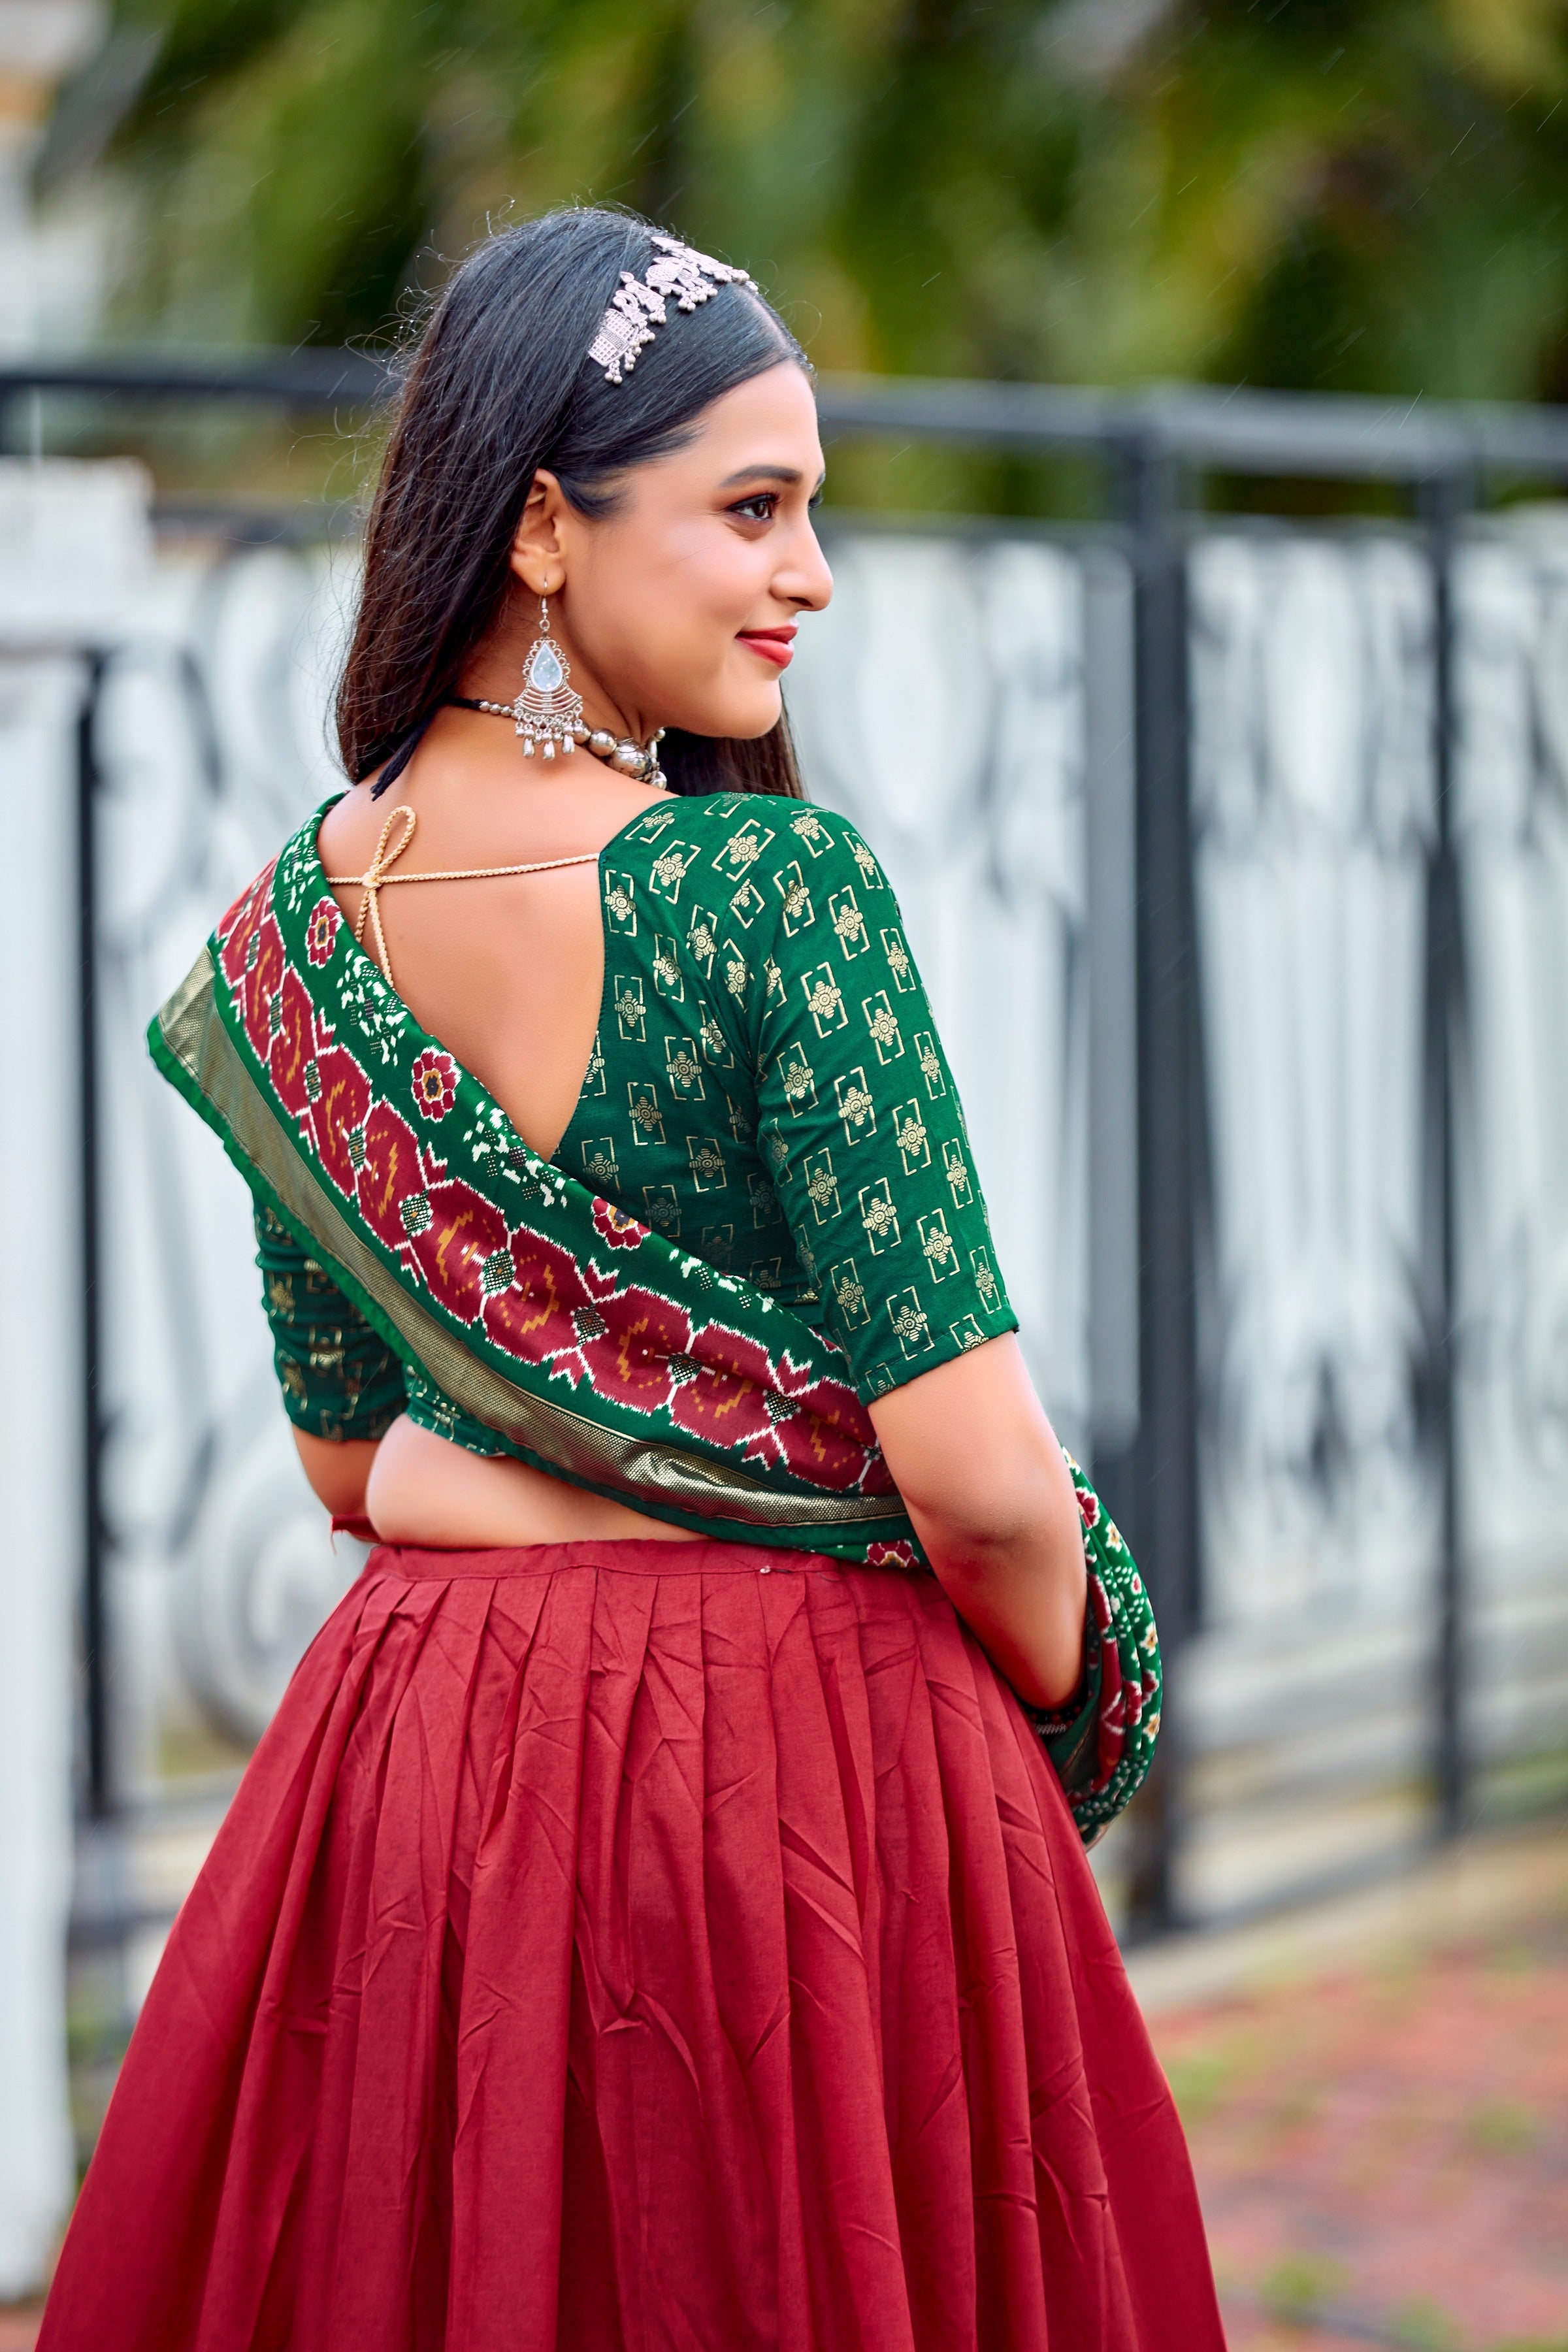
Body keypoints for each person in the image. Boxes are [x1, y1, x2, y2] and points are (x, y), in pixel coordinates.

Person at [39, 210, 1223, 2351]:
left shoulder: (287, 945)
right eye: (752, 508)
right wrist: (1065, 1697)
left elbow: (347, 1453)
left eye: (814, 514)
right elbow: (972, 1479)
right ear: (543, 530)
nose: (812, 574)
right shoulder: (770, 896)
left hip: (429, 1785)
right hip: (807, 1788)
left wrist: (524, 1491)